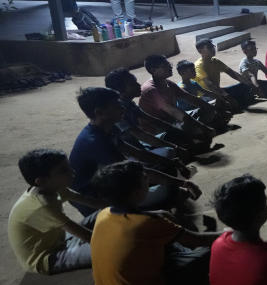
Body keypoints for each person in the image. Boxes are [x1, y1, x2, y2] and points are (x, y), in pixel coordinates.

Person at [90, 161, 218, 285]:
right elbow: (198, 240)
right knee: (213, 250)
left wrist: (162, 216)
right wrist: (233, 232)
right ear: (136, 192)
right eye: (145, 179)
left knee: (165, 233)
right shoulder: (145, 223)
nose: (149, 181)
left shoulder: (104, 214)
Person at [68, 87, 200, 215]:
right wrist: (182, 183)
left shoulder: (108, 128)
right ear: (99, 113)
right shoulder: (96, 142)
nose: (122, 107)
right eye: (115, 105)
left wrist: (173, 163)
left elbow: (137, 153)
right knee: (170, 191)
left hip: (112, 182)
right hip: (95, 199)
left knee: (167, 170)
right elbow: (134, 171)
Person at [8, 149, 100, 274]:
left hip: (60, 240)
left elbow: (90, 202)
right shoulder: (41, 206)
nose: (72, 172)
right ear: (41, 181)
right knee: (110, 247)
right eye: (63, 170)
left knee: (102, 213)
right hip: (47, 258)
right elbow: (86, 236)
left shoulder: (53, 187)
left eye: (68, 167)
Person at [106, 67, 210, 158]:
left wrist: (182, 134)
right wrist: (176, 147)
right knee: (170, 152)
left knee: (177, 134)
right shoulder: (116, 112)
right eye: (133, 84)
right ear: (120, 89)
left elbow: (155, 121)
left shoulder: (129, 104)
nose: (138, 85)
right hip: (132, 152)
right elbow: (141, 135)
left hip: (142, 144)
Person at [141, 55, 230, 134]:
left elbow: (192, 98)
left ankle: (200, 130)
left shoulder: (168, 83)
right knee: (193, 129)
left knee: (208, 109)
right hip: (159, 127)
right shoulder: (151, 89)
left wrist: (215, 110)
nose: (170, 67)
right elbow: (173, 111)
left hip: (174, 119)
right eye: (165, 66)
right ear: (153, 70)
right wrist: (202, 127)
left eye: (169, 64)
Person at [194, 39, 256, 109]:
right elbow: (210, 85)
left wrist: (250, 85)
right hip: (205, 96)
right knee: (217, 103)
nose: (213, 49)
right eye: (209, 47)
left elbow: (232, 73)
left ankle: (229, 103)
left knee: (244, 86)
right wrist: (228, 97)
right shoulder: (198, 66)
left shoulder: (215, 61)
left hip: (218, 91)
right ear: (200, 51)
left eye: (212, 46)